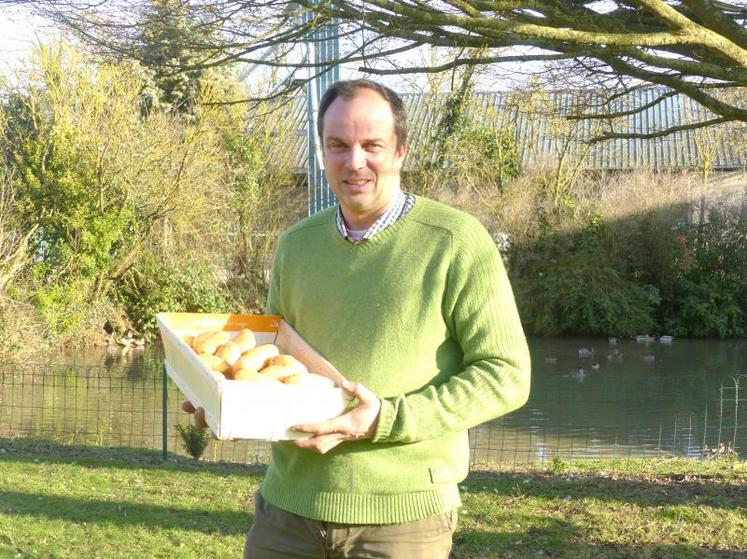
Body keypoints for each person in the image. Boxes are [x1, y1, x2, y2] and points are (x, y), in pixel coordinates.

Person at [191, 79, 531, 558]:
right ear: (322, 151)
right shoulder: (296, 245)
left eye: (372, 145)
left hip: (402, 518)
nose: (354, 162)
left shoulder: (455, 241)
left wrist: (386, 420)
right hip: (287, 512)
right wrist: (221, 396)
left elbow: (507, 376)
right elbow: (273, 361)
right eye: (338, 146)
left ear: (400, 150)